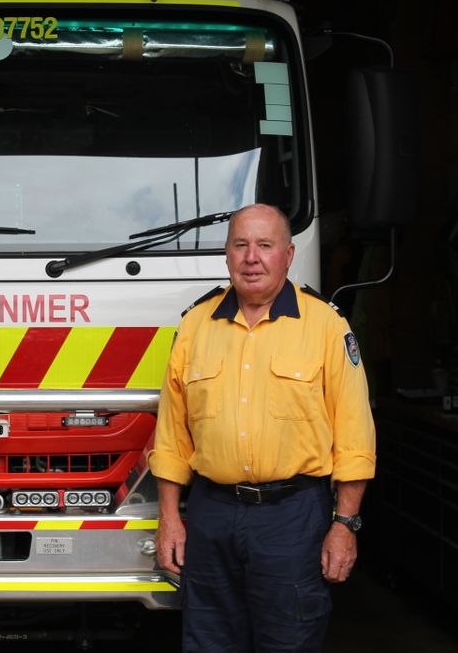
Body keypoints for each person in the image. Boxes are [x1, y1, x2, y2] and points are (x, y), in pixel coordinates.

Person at [148, 203, 376, 652]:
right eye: (241, 245)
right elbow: (172, 436)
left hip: (292, 517)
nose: (252, 257)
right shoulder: (195, 325)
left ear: (288, 256)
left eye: (265, 246)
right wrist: (169, 519)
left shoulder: (326, 326)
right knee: (210, 637)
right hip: (212, 514)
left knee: (289, 638)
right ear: (227, 256)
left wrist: (345, 524)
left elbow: (355, 435)